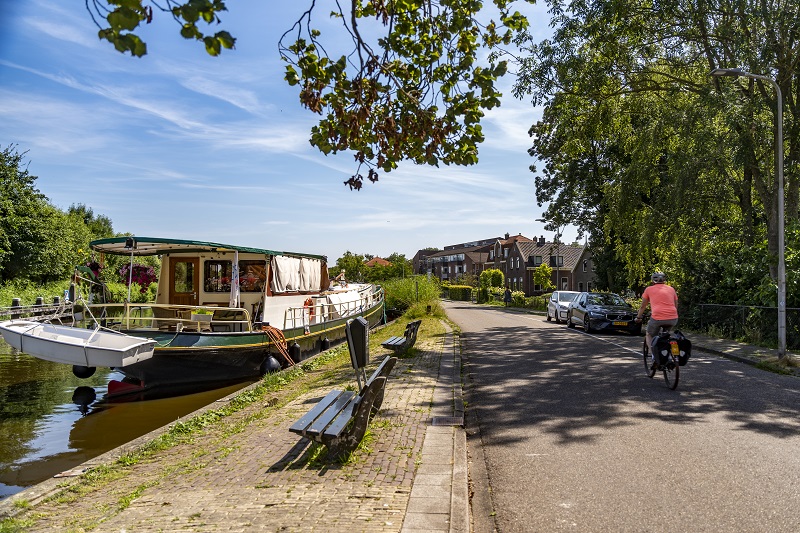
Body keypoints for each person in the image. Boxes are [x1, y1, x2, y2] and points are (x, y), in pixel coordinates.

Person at [635, 272, 678, 367]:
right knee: (667, 336)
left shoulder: (649, 289)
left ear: (652, 280)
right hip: (673, 317)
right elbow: (675, 305)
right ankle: (672, 355)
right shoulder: (671, 289)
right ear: (664, 280)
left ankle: (654, 356)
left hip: (657, 317)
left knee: (649, 334)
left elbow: (643, 306)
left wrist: (638, 317)